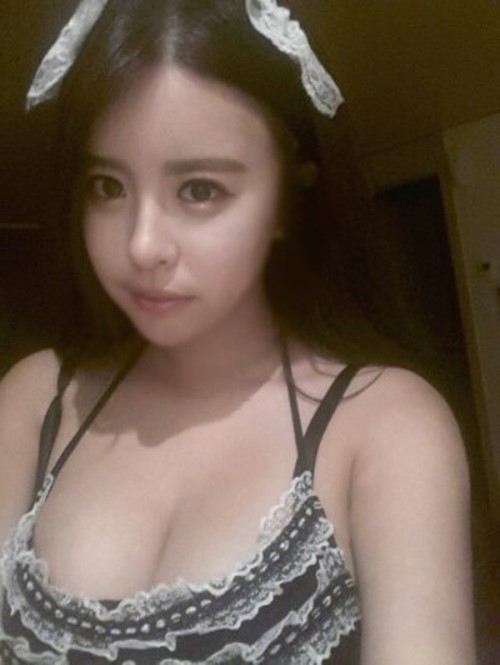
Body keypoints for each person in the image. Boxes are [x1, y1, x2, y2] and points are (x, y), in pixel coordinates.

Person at [0, 0, 476, 662]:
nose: (141, 245)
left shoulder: (384, 427)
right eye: (107, 186)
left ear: (286, 200)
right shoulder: (38, 399)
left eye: (199, 190)